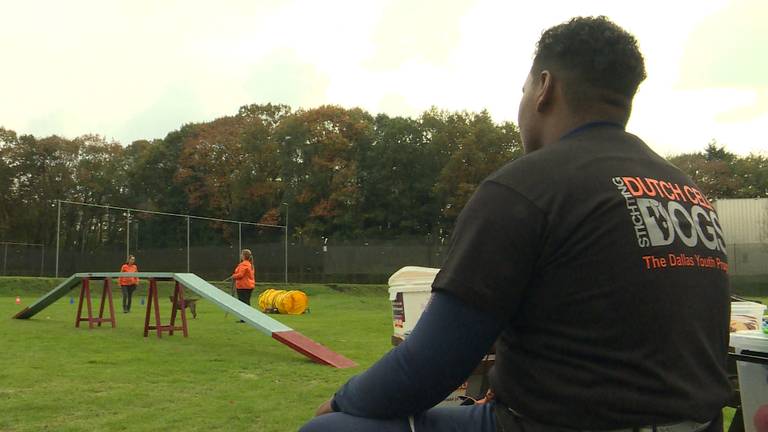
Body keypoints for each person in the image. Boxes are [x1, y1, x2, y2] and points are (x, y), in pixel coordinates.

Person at [301, 16, 731, 432]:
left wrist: (340, 402)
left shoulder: (526, 188)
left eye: (523, 88)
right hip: (698, 423)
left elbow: (429, 365)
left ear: (544, 87)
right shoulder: (687, 192)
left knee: (331, 429)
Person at [232, 249, 255, 321]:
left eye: (241, 254)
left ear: (244, 256)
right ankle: (247, 318)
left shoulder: (244, 264)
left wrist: (234, 276)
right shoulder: (250, 264)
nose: (240, 256)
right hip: (249, 285)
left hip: (243, 286)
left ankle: (245, 318)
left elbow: (241, 275)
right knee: (246, 301)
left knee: (243, 302)